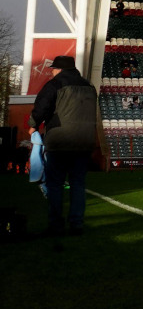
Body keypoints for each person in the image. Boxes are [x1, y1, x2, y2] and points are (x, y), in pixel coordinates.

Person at [32, 56, 99, 235]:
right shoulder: (89, 86)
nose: (52, 71)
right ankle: (76, 224)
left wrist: (33, 125)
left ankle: (56, 224)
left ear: (60, 69)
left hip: (60, 140)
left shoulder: (55, 84)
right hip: (84, 141)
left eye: (53, 69)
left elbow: (42, 106)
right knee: (78, 183)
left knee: (55, 184)